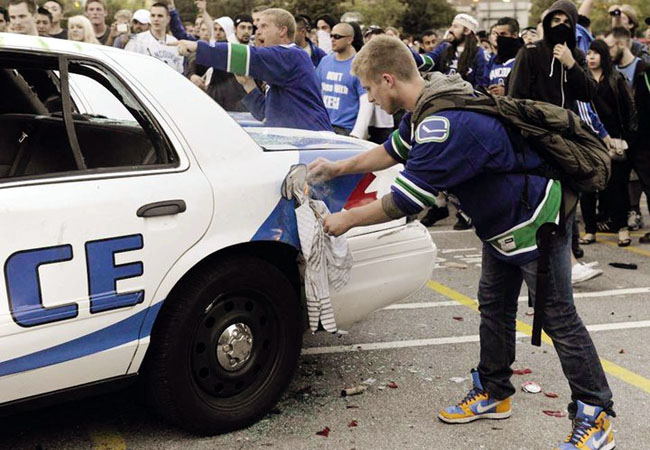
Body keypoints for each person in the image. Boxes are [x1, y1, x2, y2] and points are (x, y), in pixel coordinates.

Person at [308, 34, 616, 450]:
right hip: (500, 223)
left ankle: (595, 413)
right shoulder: (426, 105)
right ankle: (494, 391)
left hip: (534, 219)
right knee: (494, 307)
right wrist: (338, 167)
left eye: (368, 88)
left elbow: (404, 201)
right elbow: (392, 150)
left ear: (387, 79)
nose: (368, 97)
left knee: (558, 317)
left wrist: (343, 220)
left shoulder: (442, 125)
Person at [509, 0, 604, 281]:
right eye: (555, 19)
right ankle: (558, 264)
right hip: (537, 139)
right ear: (546, 21)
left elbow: (589, 92)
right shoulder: (530, 53)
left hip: (567, 140)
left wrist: (572, 64)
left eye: (566, 21)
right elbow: (516, 97)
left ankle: (568, 264)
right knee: (544, 203)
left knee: (566, 200)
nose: (560, 25)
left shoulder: (575, 54)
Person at [178, 8, 332, 132]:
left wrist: (198, 46)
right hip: (299, 141)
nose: (257, 32)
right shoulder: (283, 60)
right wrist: (248, 85)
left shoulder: (292, 55)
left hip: (314, 140)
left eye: (264, 26)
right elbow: (266, 114)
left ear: (282, 31)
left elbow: (250, 55)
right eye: (257, 27)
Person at [579, 38, 637, 247]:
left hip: (613, 140)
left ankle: (622, 228)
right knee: (587, 188)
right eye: (588, 54)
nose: (591, 57)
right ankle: (590, 230)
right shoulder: (582, 79)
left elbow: (629, 109)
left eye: (595, 53)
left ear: (604, 55)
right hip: (588, 141)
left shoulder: (615, 78)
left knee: (617, 187)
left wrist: (626, 138)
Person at [605, 27, 650, 244]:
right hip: (622, 140)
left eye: (610, 47)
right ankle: (619, 223)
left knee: (648, 183)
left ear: (621, 44)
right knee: (618, 184)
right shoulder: (612, 73)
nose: (607, 52)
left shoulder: (643, 69)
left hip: (643, 140)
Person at [316, 22, 372, 138]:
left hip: (346, 129)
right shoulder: (325, 61)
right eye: (331, 36)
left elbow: (366, 101)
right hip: (323, 126)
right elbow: (316, 93)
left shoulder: (359, 65)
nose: (332, 40)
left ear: (350, 39)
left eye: (337, 37)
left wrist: (357, 133)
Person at [413, 13, 489, 89]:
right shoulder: (444, 48)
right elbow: (427, 61)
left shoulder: (479, 54)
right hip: (441, 96)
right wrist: (406, 51)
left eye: (455, 26)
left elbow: (480, 87)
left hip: (466, 99)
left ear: (466, 31)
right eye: (451, 26)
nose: (450, 30)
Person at [125, 3, 184, 74]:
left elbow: (179, 72)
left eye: (160, 16)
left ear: (168, 19)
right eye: (153, 15)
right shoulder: (136, 41)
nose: (156, 19)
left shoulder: (175, 42)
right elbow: (128, 67)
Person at [486, 17, 523, 96]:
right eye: (497, 34)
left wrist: (506, 91)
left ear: (515, 35)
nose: (499, 38)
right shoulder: (493, 60)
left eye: (503, 34)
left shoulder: (524, 57)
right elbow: (484, 83)